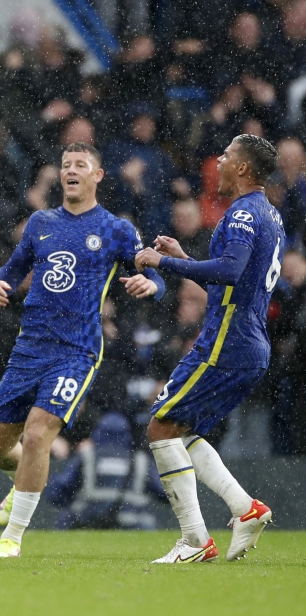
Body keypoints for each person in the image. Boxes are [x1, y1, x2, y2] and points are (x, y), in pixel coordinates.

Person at [0, 142, 165, 558]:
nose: (71, 170)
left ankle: (12, 536)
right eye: (66, 165)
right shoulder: (40, 223)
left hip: (77, 351)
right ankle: (23, 482)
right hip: (29, 348)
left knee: (37, 434)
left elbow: (154, 273)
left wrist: (152, 285)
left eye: (81, 165)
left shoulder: (116, 229)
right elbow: (10, 271)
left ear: (97, 175)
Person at [135, 134, 285, 564]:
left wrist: (163, 261)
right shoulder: (270, 214)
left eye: (227, 155)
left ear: (242, 168)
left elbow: (230, 271)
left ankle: (195, 540)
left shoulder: (240, 212)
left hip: (228, 341)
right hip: (249, 342)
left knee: (161, 427)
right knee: (180, 429)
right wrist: (184, 256)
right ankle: (245, 509)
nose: (218, 161)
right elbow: (232, 283)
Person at [43, 412, 167, 530]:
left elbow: (58, 491)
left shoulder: (87, 456)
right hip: (132, 524)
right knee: (149, 522)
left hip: (88, 522)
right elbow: (164, 493)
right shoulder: (141, 460)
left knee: (65, 517)